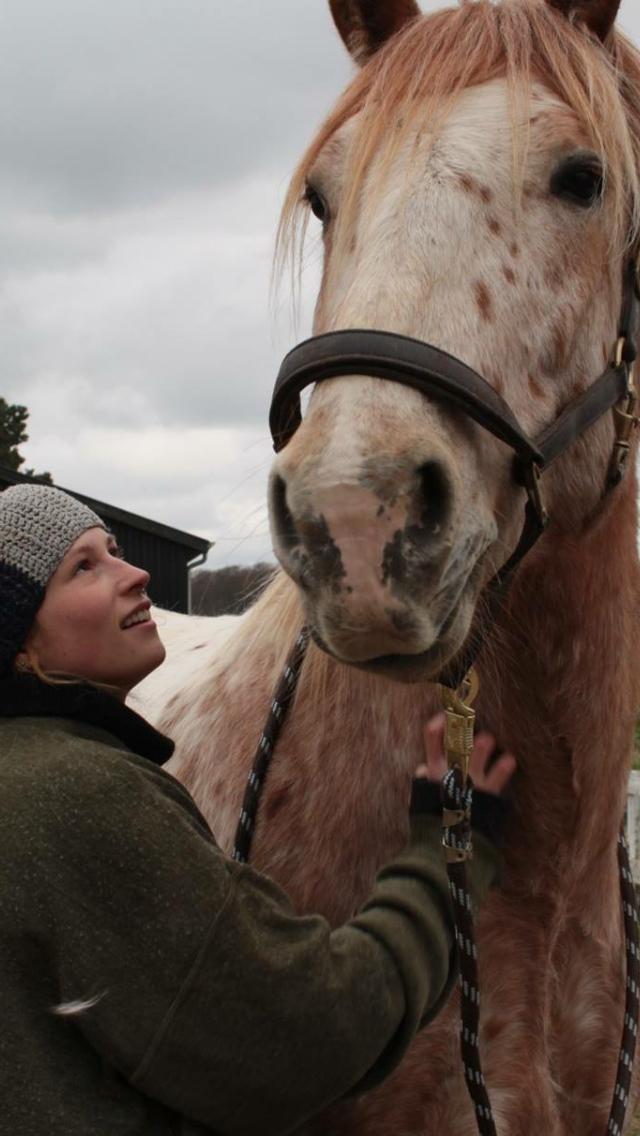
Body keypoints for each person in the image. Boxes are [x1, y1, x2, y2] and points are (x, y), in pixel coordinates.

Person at [0, 483, 516, 1136]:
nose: (135, 576)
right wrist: (447, 857)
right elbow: (301, 1035)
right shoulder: (80, 795)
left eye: (116, 551)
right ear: (18, 638)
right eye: (84, 567)